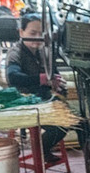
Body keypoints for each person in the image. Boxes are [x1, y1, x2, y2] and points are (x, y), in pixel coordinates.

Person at [5, 13, 67, 161]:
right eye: (33, 33)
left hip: (43, 99)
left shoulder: (43, 51)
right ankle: (41, 150)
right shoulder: (15, 53)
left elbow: (53, 73)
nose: (37, 37)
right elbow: (13, 77)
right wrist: (41, 79)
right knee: (60, 126)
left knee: (77, 120)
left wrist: (58, 84)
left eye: (41, 34)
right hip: (25, 101)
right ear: (21, 32)